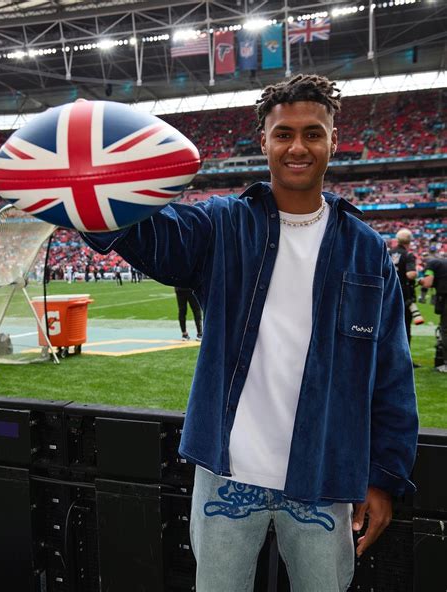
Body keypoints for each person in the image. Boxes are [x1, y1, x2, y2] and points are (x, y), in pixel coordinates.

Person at [81, 74, 418, 591]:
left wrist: (385, 477)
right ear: (263, 141)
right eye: (283, 134)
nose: (297, 146)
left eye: (313, 132)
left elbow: (392, 373)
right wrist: (81, 185)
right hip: (227, 471)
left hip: (324, 474)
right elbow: (151, 237)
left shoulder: (367, 248)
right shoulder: (223, 225)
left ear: (333, 139)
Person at [389, 228, 424, 366]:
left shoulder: (389, 253)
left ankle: (389, 358)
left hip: (388, 294)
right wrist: (418, 277)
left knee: (389, 327)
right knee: (404, 328)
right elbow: (411, 275)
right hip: (404, 296)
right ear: (409, 241)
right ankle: (404, 359)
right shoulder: (408, 255)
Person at [419, 255, 447, 372]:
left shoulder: (430, 264)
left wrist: (420, 281)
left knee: (445, 330)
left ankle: (445, 363)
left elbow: (427, 283)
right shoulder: (442, 262)